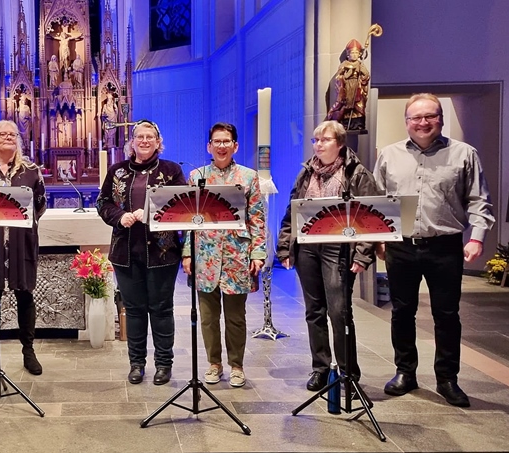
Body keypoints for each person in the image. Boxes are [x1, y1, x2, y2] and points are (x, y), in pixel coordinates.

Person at [374, 93, 494, 407]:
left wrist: (477, 237)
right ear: (407, 121)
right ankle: (405, 372)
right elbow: (378, 201)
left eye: (430, 116)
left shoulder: (464, 154)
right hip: (401, 246)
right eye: (416, 117)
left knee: (447, 315)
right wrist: (379, 237)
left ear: (440, 118)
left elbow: (479, 200)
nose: (423, 123)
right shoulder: (389, 155)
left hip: (445, 247)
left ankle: (447, 378)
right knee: (402, 312)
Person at [277, 120, 379, 392]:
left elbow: (370, 216)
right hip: (308, 247)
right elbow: (292, 212)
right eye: (315, 140)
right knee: (314, 311)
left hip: (339, 247)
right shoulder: (306, 173)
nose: (318, 145)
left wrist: (362, 254)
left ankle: (348, 373)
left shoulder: (356, 173)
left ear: (340, 143)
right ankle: (320, 368)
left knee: (339, 312)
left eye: (325, 140)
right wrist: (286, 246)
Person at [96, 119, 186, 385]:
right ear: (132, 142)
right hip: (125, 251)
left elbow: (180, 204)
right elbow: (103, 202)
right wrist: (119, 216)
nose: (144, 141)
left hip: (162, 252)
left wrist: (148, 214)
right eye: (140, 137)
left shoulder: (171, 170)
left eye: (150, 137)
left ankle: (163, 364)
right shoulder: (117, 171)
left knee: (161, 308)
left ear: (158, 142)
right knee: (133, 310)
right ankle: (136, 363)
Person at [181, 122, 266, 388]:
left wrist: (258, 252)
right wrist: (187, 253)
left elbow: (258, 219)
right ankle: (214, 363)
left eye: (226, 141)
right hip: (204, 255)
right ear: (209, 146)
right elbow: (187, 219)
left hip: (236, 255)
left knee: (235, 317)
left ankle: (237, 365)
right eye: (216, 141)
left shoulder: (248, 177)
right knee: (207, 317)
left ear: (235, 146)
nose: (221, 146)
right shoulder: (196, 176)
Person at [0, 120, 47, 378]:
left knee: (24, 294)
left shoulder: (31, 171)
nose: (8, 138)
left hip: (20, 241)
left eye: (12, 134)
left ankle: (28, 351)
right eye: (2, 134)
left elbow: (40, 205)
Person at [325, 39, 370, 131]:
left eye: (356, 53)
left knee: (358, 106)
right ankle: (345, 123)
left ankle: (358, 124)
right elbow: (338, 77)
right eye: (352, 53)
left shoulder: (360, 64)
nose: (354, 55)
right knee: (346, 106)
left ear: (359, 54)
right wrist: (346, 75)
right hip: (347, 88)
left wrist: (362, 71)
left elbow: (366, 76)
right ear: (348, 54)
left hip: (357, 88)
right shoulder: (344, 65)